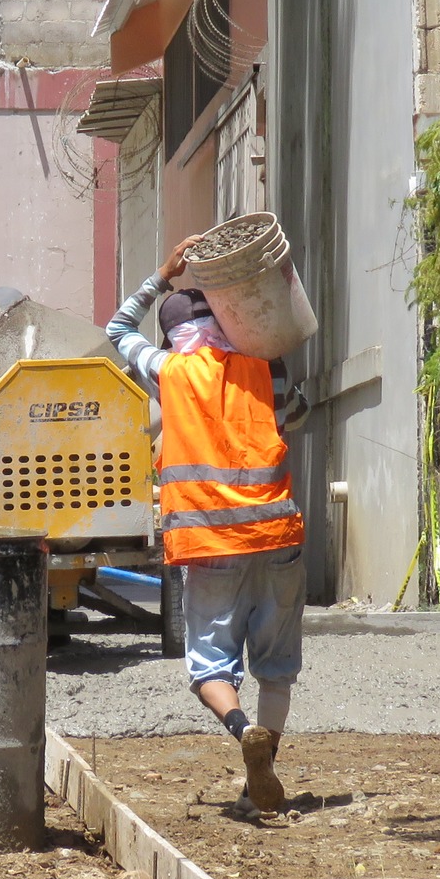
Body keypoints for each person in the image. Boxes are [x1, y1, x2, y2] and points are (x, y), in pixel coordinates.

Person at [108, 234, 310, 814]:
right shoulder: (263, 367)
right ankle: (260, 777)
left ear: (173, 334)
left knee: (209, 669)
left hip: (209, 545)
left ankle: (240, 727)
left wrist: (161, 274)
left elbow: (119, 332)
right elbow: (296, 412)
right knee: (276, 667)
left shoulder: (169, 372)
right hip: (276, 539)